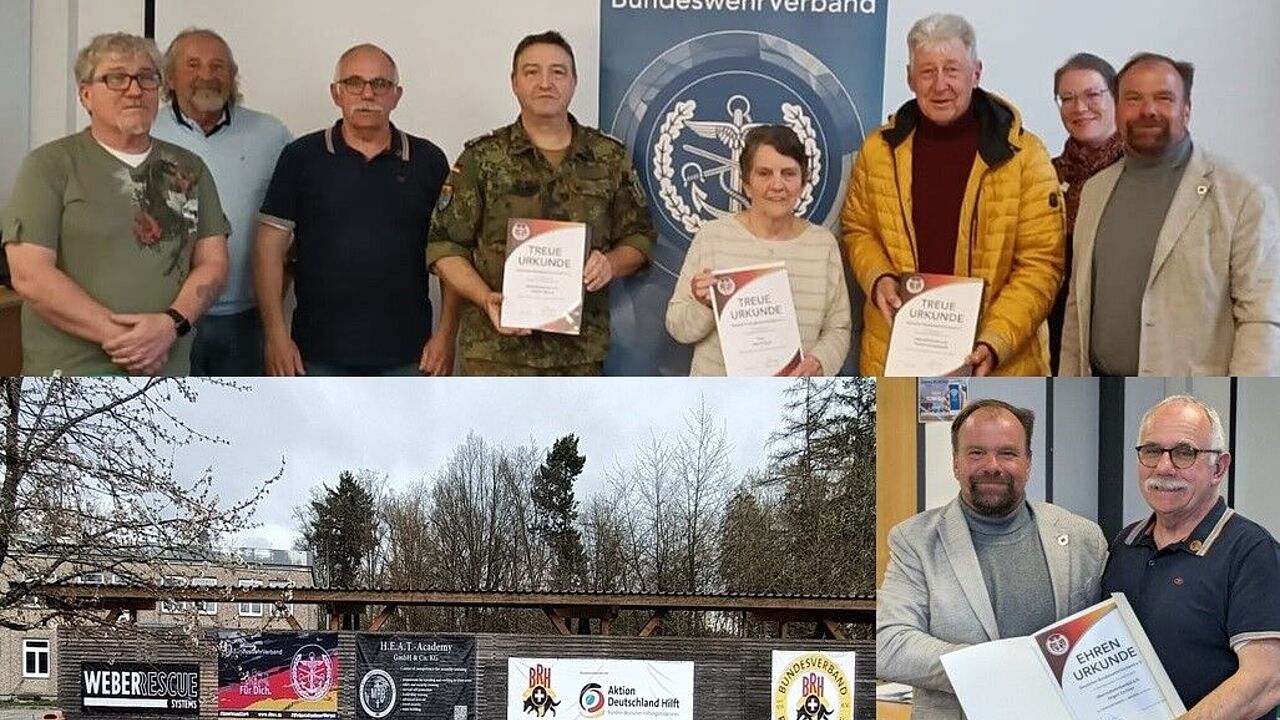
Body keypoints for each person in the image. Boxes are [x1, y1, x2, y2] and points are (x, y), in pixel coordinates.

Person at [842, 13, 1064, 377]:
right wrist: (878, 277)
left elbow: (1041, 264)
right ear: (910, 78)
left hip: (999, 362)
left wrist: (994, 342)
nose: (940, 85)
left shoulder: (1025, 156)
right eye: (927, 71)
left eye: (952, 70)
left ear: (976, 73)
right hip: (896, 354)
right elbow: (858, 229)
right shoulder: (877, 151)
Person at [426, 30, 655, 376]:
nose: (545, 82)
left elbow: (639, 238)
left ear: (574, 82)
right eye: (532, 72)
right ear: (514, 82)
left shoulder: (609, 157)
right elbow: (445, 245)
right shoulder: (482, 158)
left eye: (558, 72)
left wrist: (610, 264)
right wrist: (483, 298)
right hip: (495, 355)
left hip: (577, 356)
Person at [2, 32, 229, 375]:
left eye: (147, 78)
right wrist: (128, 340)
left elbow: (213, 263)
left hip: (167, 373)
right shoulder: (50, 166)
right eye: (116, 78)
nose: (135, 90)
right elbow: (30, 275)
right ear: (86, 94)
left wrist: (170, 326)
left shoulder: (189, 169)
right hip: (69, 379)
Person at [878, 399, 1107, 719]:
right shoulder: (914, 540)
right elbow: (890, 644)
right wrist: (999, 668)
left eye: (1008, 453)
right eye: (976, 452)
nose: (992, 465)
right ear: (956, 462)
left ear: (1028, 461)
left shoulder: (1084, 538)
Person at [1060, 53, 1280, 376]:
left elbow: (1260, 318)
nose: (1148, 110)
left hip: (1194, 399)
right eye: (1133, 98)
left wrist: (1238, 401)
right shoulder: (1095, 191)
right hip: (1098, 393)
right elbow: (1076, 310)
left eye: (1164, 98)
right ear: (1118, 110)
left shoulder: (1242, 196)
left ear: (1187, 109)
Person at [254, 43, 457, 376]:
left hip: (408, 355)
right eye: (354, 83)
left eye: (380, 84)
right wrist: (275, 336)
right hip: (315, 354)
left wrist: (446, 337)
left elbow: (453, 257)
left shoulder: (429, 160)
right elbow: (268, 250)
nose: (367, 93)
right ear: (336, 93)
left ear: (397, 95)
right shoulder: (300, 157)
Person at [1102, 396, 1280, 719]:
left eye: (1185, 453)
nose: (1164, 467)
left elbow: (1267, 679)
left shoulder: (1252, 550)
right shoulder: (1124, 545)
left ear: (1219, 468)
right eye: (1152, 451)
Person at [152, 27, 292, 376]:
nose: (207, 76)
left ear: (232, 77)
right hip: (162, 317)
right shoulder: (144, 133)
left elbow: (299, 214)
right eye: (193, 65)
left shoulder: (271, 134)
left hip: (245, 321)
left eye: (218, 67)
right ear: (169, 78)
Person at [665, 125, 851, 376]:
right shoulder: (713, 237)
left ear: (804, 182)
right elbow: (678, 327)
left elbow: (838, 328)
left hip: (791, 402)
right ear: (747, 184)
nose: (777, 185)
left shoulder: (823, 245)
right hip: (718, 402)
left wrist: (820, 361)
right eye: (764, 173)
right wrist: (705, 306)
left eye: (788, 173)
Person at [1047, 53, 1124, 376]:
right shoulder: (1045, 175)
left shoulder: (1142, 175)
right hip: (1058, 336)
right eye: (1068, 98)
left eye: (1092, 95)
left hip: (1120, 335)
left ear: (1117, 99)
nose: (1080, 107)